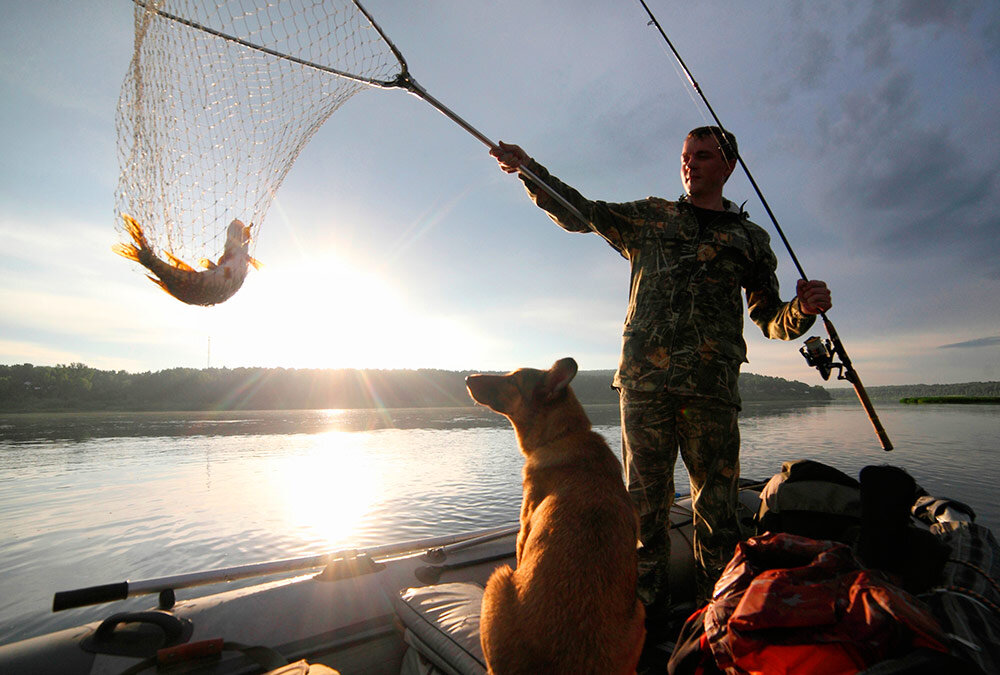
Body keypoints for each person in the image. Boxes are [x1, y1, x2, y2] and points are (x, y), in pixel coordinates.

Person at [490, 127, 832, 621]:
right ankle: (640, 618)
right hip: (644, 390)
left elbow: (771, 320)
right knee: (641, 512)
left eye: (703, 156)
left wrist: (802, 310)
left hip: (711, 393)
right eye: (685, 157)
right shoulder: (649, 216)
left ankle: (713, 621)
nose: (690, 164)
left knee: (717, 513)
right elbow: (581, 211)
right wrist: (529, 170)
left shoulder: (750, 241)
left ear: (728, 166)